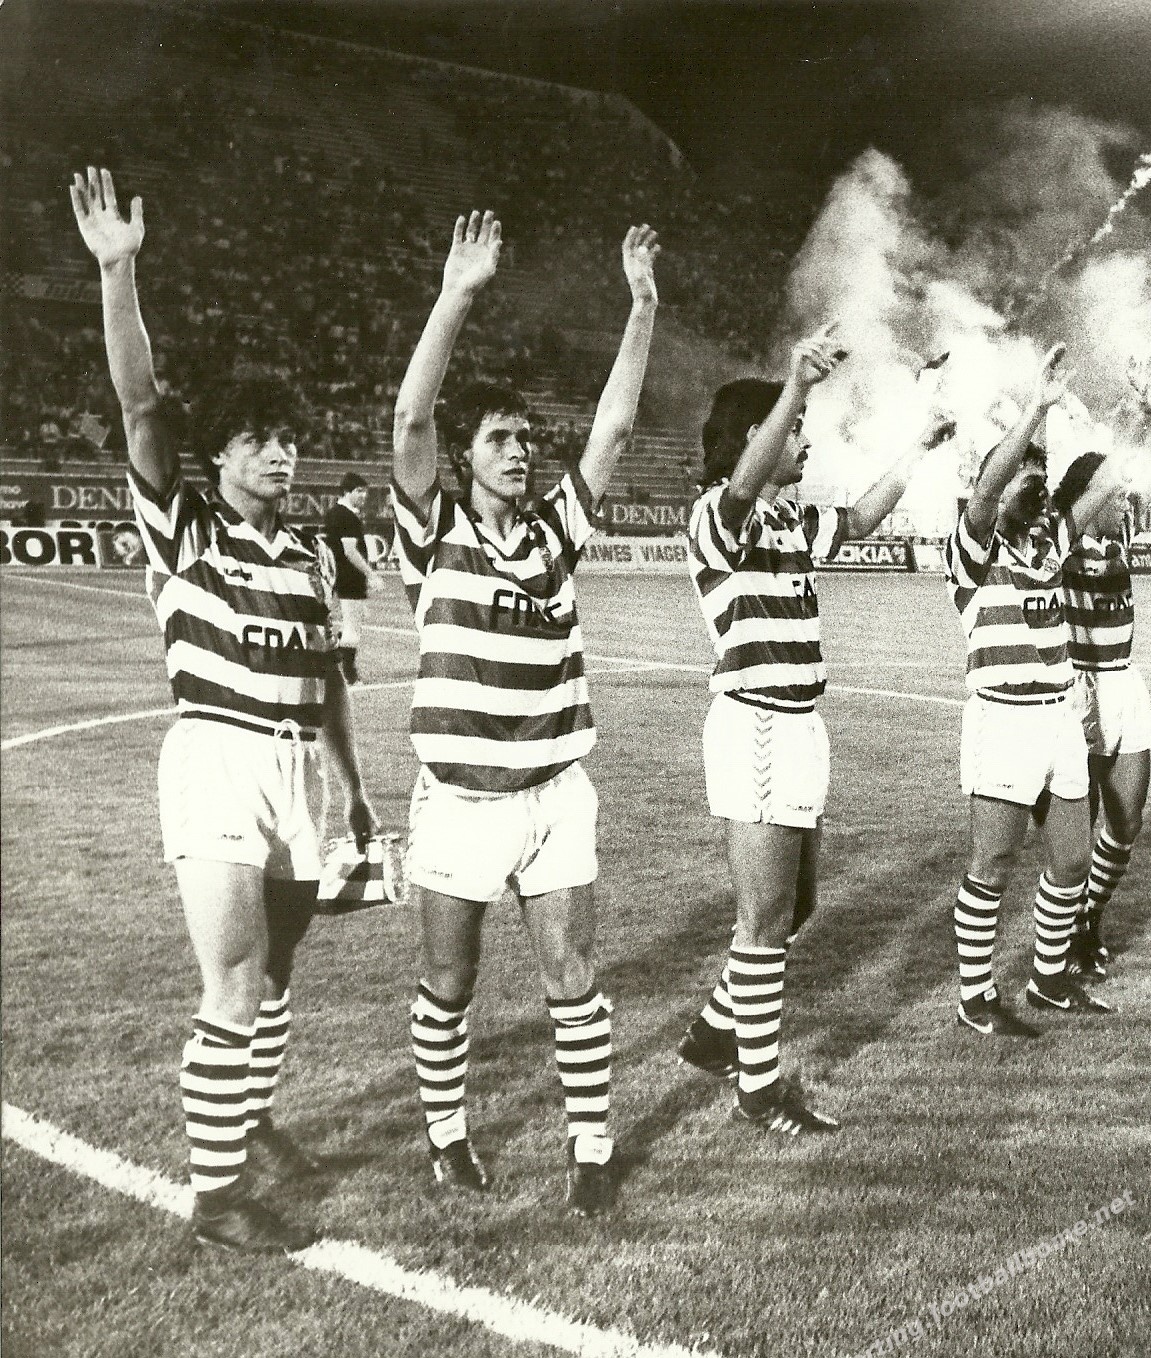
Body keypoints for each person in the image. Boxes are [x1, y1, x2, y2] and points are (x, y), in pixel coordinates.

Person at [72, 166, 375, 1254]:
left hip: (297, 771)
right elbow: (139, 404)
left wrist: (353, 792)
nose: (280, 452)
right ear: (222, 454)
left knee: (278, 973)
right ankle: (217, 1198)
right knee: (236, 977)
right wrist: (120, 273)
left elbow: (326, 680)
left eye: (288, 437)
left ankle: (248, 1120)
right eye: (258, 438)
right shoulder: (186, 526)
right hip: (217, 761)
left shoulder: (309, 553)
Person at [390, 210, 658, 1217]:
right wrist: (456, 295)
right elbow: (410, 422)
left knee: (571, 971)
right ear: (466, 457)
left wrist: (641, 304)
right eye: (499, 438)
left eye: (526, 438)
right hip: (461, 797)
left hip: (553, 791)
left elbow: (614, 430)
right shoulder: (435, 533)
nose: (521, 450)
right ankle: (447, 1136)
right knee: (448, 982)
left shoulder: (555, 533)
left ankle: (592, 1149)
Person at [676, 330, 954, 1134]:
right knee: (764, 919)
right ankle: (758, 1089)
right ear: (754, 438)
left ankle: (713, 1034)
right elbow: (741, 486)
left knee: (794, 907)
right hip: (758, 723)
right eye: (793, 432)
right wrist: (794, 387)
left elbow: (861, 519)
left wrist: (917, 448)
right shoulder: (718, 516)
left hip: (798, 726)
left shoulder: (789, 519)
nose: (804, 443)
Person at [949, 345, 1123, 1035]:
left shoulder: (1050, 543)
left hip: (1057, 718)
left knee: (1073, 860)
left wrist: (1132, 416)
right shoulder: (973, 548)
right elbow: (986, 494)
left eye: (1040, 476)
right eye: (1025, 474)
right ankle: (974, 996)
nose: (1036, 484)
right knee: (993, 862)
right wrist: (1035, 408)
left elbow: (1104, 483)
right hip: (1003, 719)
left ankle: (1048, 980)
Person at [1053, 373, 1151, 981]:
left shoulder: (1122, 535)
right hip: (1078, 687)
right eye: (1113, 494)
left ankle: (1090, 915)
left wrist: (1150, 417)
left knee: (1127, 823)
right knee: (1085, 819)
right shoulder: (1062, 544)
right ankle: (1069, 930)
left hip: (1124, 683)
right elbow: (1097, 489)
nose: (1125, 502)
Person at [320, 473, 380, 684]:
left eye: (365, 492)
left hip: (337, 575)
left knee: (345, 623)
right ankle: (348, 675)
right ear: (347, 492)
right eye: (359, 491)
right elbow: (350, 551)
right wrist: (371, 574)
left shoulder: (332, 513)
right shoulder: (348, 517)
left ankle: (338, 666)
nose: (364, 496)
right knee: (353, 627)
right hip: (350, 576)